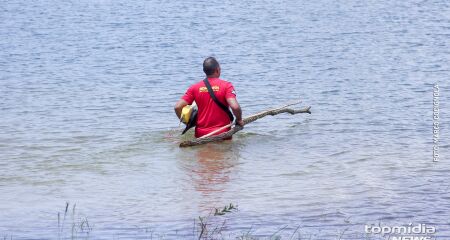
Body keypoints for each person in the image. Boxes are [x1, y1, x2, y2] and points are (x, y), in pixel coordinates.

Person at [174, 57, 244, 138]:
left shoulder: (194, 88)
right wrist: (239, 120)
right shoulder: (226, 86)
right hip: (222, 133)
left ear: (205, 71)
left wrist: (187, 123)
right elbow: (235, 107)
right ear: (217, 70)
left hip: (201, 134)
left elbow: (177, 107)